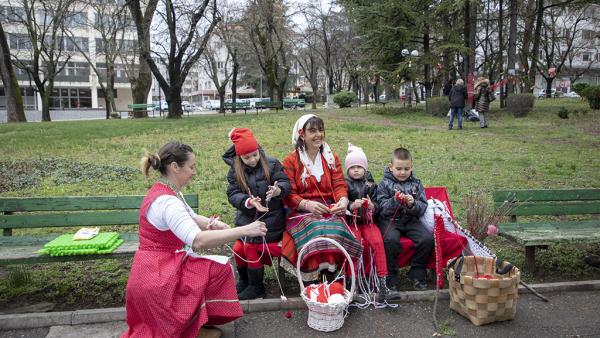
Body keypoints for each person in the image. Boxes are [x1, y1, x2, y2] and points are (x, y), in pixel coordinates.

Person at [122, 141, 267, 338]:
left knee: (218, 268)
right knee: (214, 270)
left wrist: (213, 223)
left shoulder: (166, 191)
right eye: (191, 167)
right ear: (175, 167)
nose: (194, 172)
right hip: (159, 275)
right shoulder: (167, 202)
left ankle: (194, 324)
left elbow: (190, 218)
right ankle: (188, 327)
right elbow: (198, 241)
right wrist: (245, 230)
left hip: (156, 268)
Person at [281, 114, 362, 282]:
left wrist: (343, 201)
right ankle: (311, 281)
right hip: (301, 212)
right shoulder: (291, 161)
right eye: (312, 131)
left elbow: (339, 184)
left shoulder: (331, 159)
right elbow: (288, 194)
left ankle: (333, 278)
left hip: (328, 207)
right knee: (317, 228)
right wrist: (307, 204)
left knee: (335, 228)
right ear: (302, 134)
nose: (318, 134)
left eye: (320, 130)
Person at [223, 128, 291, 300]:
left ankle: (256, 286)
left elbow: (285, 182)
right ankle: (245, 281)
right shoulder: (235, 172)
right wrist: (248, 201)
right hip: (247, 220)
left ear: (259, 151)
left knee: (250, 247)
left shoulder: (272, 164)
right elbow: (232, 194)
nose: (252, 160)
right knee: (238, 248)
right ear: (239, 158)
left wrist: (278, 190)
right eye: (247, 158)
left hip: (271, 223)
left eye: (255, 155)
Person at [344, 143, 401, 302]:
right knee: (353, 244)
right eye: (352, 167)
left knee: (377, 242)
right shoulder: (344, 184)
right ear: (347, 169)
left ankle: (383, 284)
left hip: (368, 222)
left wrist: (371, 206)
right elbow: (341, 202)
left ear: (365, 168)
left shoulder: (371, 185)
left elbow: (378, 205)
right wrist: (350, 205)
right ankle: (351, 285)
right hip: (352, 222)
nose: (356, 170)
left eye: (359, 166)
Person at [377, 147, 433, 291]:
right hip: (390, 220)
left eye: (406, 169)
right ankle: (390, 278)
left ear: (411, 167)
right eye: (399, 168)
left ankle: (417, 273)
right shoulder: (384, 184)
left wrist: (412, 204)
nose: (402, 172)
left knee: (426, 239)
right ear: (391, 167)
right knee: (390, 240)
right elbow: (381, 208)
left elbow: (423, 206)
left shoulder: (416, 183)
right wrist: (394, 201)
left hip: (410, 219)